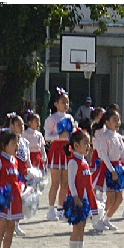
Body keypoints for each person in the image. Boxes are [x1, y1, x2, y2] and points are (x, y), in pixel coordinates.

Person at [91, 109, 124, 232]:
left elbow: (122, 152)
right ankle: (99, 220)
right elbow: (104, 155)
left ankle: (107, 219)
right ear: (107, 122)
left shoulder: (118, 136)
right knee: (110, 197)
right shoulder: (104, 136)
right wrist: (111, 170)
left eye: (118, 119)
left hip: (118, 167)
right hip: (108, 168)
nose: (117, 122)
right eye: (114, 120)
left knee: (120, 198)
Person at [63, 129, 97, 248]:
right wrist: (76, 197)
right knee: (76, 228)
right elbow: (70, 182)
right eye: (85, 143)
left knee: (82, 227)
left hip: (84, 200)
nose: (88, 146)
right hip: (76, 200)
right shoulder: (73, 162)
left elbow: (88, 185)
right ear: (76, 145)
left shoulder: (84, 162)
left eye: (89, 143)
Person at [44, 87, 75, 220]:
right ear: (56, 104)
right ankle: (51, 209)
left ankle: (61, 208)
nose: (66, 105)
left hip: (67, 150)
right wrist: (59, 135)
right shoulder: (51, 118)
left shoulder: (70, 117)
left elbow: (72, 133)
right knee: (55, 182)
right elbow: (47, 136)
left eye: (67, 102)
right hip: (57, 150)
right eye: (63, 102)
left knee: (65, 183)